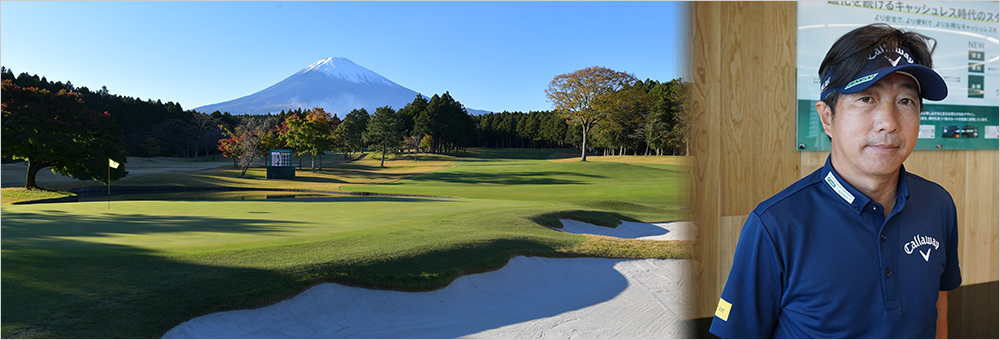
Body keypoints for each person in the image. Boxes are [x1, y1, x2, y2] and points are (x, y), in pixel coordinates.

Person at [708, 23, 961, 338]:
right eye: (867, 99)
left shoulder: (937, 204)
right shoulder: (775, 225)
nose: (889, 123)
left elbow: (938, 305)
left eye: (905, 101)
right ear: (827, 117)